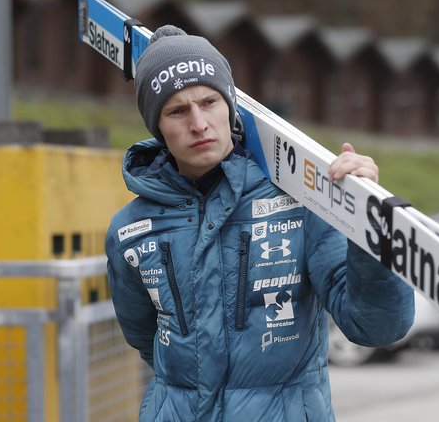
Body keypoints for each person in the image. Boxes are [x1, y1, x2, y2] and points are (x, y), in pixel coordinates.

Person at [105, 25, 414, 422]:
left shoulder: (301, 200)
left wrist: (368, 219)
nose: (199, 123)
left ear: (230, 106)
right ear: (158, 126)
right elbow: (145, 338)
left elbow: (377, 327)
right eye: (177, 111)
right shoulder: (131, 229)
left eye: (209, 102)